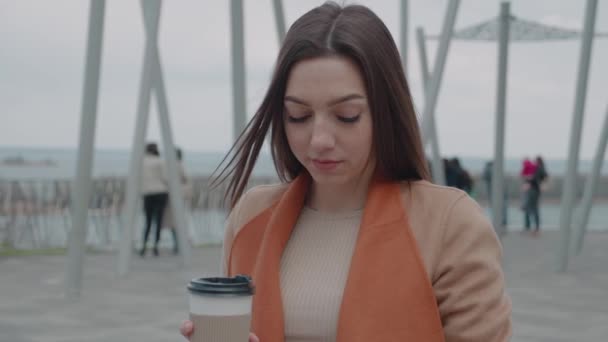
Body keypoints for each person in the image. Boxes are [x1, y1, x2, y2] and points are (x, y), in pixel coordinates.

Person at [181, 2, 511, 341]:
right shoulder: (252, 216)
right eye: (299, 116)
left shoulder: (449, 223)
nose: (319, 140)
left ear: (386, 112)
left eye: (347, 116)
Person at [139, 142, 168, 257]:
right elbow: (166, 178)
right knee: (158, 221)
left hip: (147, 193)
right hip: (161, 192)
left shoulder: (142, 162)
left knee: (148, 221)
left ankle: (144, 246)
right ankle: (156, 246)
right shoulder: (160, 161)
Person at [162, 148, 192, 254]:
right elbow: (187, 180)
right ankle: (180, 244)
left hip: (172, 196)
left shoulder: (171, 166)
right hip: (179, 196)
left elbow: (166, 179)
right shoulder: (180, 165)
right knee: (178, 221)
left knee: (174, 222)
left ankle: (178, 244)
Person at [522, 155, 548, 235]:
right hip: (536, 190)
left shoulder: (538, 168)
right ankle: (534, 227)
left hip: (533, 190)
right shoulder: (542, 168)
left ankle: (531, 227)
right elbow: (544, 177)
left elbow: (534, 178)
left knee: (532, 208)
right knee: (534, 208)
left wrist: (528, 181)